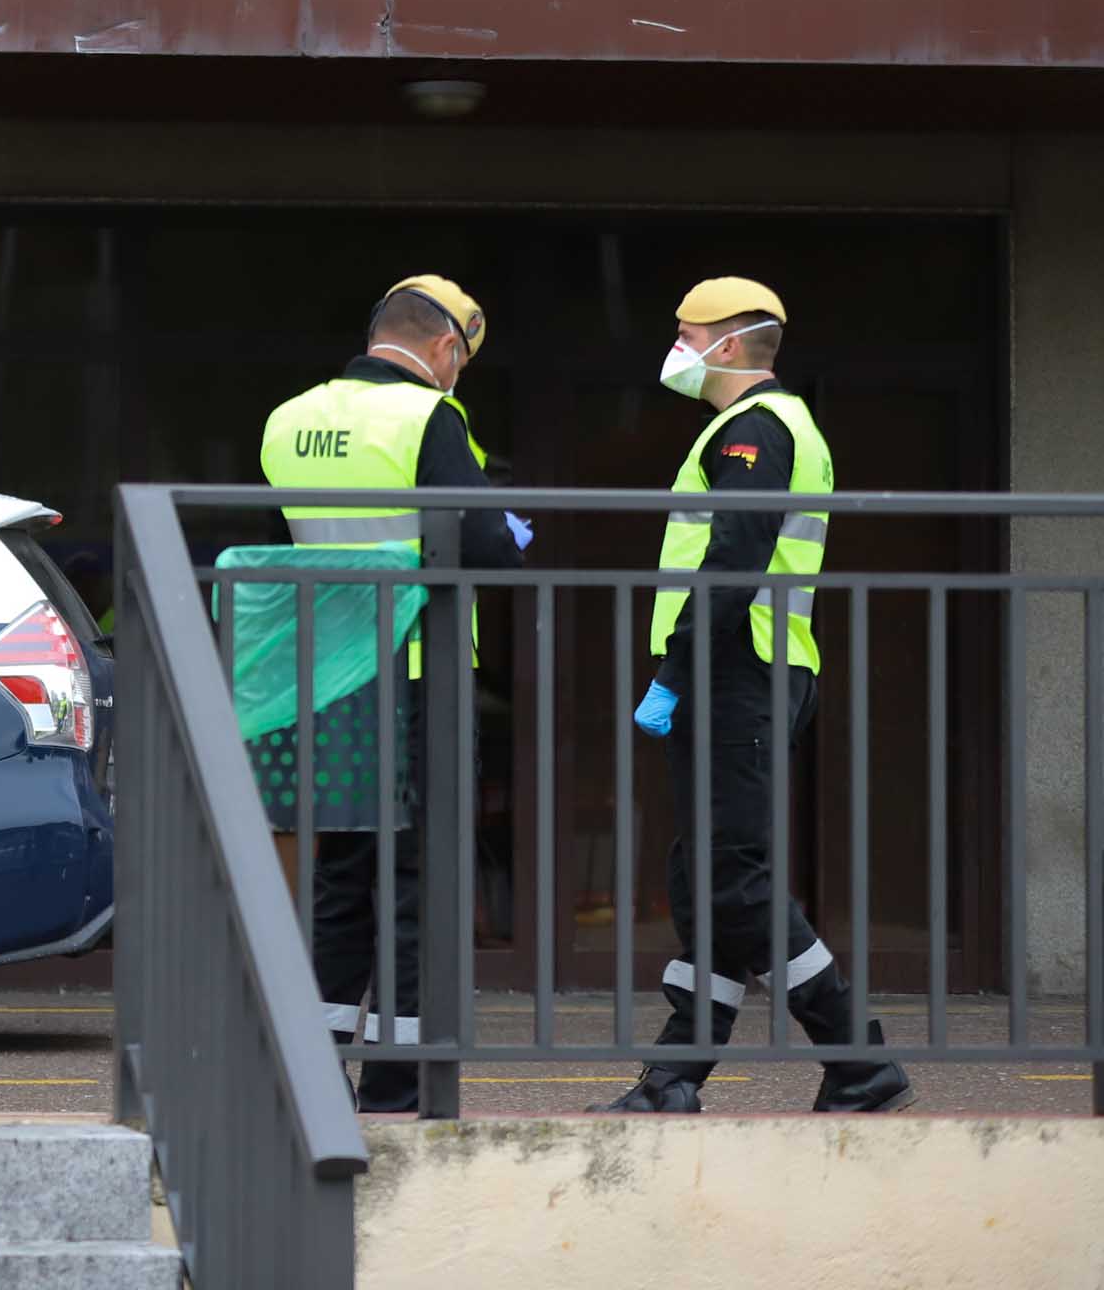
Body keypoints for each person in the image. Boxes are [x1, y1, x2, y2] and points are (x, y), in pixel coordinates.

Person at [596, 279, 911, 1114]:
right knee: (704, 877)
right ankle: (674, 1076)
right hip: (746, 668)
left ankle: (856, 1058)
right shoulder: (759, 427)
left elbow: (733, 560)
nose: (674, 348)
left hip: (739, 669)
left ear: (727, 346)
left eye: (683, 333)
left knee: (733, 877)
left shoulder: (756, 429)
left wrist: (674, 669)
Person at [252, 274, 526, 1113]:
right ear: (446, 348)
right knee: (417, 879)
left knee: (340, 874)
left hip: (328, 680)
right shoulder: (428, 417)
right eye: (462, 363)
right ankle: (399, 1079)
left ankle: (317, 1068)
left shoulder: (288, 418)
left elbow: (280, 547)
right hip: (414, 673)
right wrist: (512, 526)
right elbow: (490, 548)